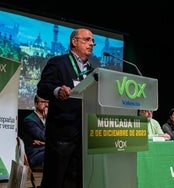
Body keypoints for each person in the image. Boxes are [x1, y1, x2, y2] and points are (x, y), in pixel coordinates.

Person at [37, 28, 95, 188]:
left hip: (84, 135)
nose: (91, 44)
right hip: (61, 135)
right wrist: (57, 91)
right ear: (74, 41)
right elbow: (42, 87)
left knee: (77, 181)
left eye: (93, 41)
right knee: (55, 180)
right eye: (87, 39)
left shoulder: (93, 71)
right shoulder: (58, 62)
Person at [22, 94, 48, 168]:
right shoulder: (29, 120)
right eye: (43, 102)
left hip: (46, 150)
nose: (46, 105)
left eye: (48, 102)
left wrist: (44, 142)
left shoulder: (51, 119)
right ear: (36, 104)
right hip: (36, 154)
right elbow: (44, 136)